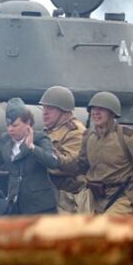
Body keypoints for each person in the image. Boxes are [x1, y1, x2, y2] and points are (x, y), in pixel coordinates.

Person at [63, 92, 133, 215]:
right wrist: (55, 161)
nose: (96, 112)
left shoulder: (127, 136)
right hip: (97, 197)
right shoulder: (88, 137)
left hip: (125, 195)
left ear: (112, 112)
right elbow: (80, 164)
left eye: (101, 109)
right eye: (93, 109)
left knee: (106, 226)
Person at [0, 100, 59, 215]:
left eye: (15, 125)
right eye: (8, 126)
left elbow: (52, 162)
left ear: (27, 123)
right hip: (15, 204)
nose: (10, 129)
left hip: (39, 205)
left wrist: (31, 147)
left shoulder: (40, 138)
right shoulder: (6, 140)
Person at [38, 85, 92, 214]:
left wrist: (40, 156)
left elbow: (70, 164)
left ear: (64, 111)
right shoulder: (52, 129)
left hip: (67, 196)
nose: (45, 112)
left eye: (50, 108)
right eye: (44, 108)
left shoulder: (75, 132)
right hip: (50, 192)